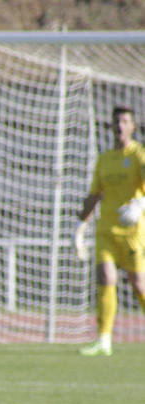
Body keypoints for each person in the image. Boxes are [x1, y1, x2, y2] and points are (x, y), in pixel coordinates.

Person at [76, 105, 145, 356]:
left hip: (133, 232)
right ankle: (104, 339)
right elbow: (94, 195)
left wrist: (139, 205)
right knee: (105, 278)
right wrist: (79, 226)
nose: (120, 126)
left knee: (138, 285)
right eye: (116, 121)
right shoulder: (104, 159)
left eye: (125, 121)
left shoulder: (139, 156)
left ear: (132, 127)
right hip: (105, 230)